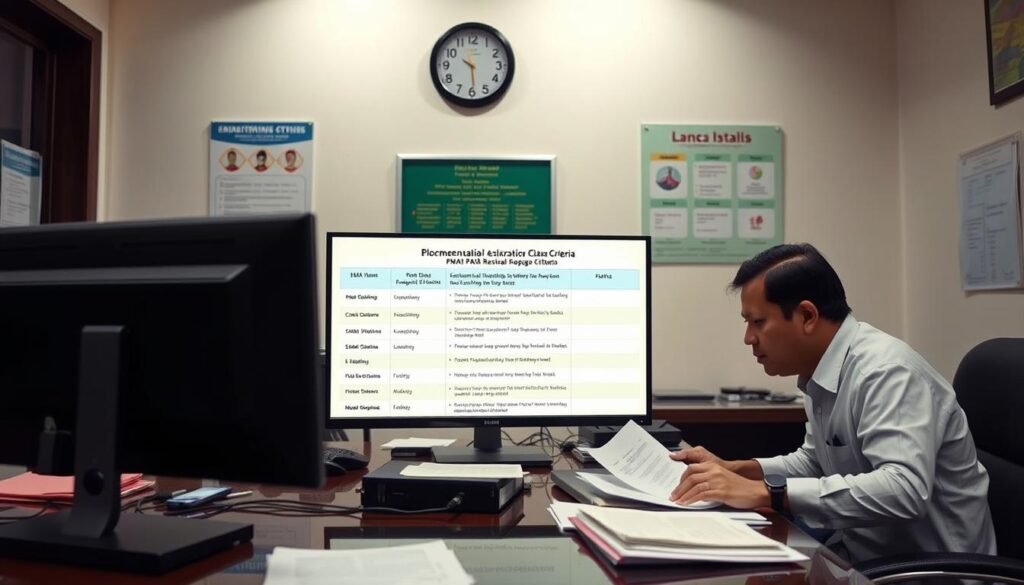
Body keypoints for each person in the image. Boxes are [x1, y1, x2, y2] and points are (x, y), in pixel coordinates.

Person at [670, 243, 995, 564]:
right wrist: (739, 469)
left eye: (757, 322)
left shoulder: (885, 371)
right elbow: (817, 462)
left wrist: (768, 493)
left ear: (807, 316)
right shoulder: (822, 370)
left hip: (930, 572)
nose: (748, 338)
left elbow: (904, 489)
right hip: (862, 556)